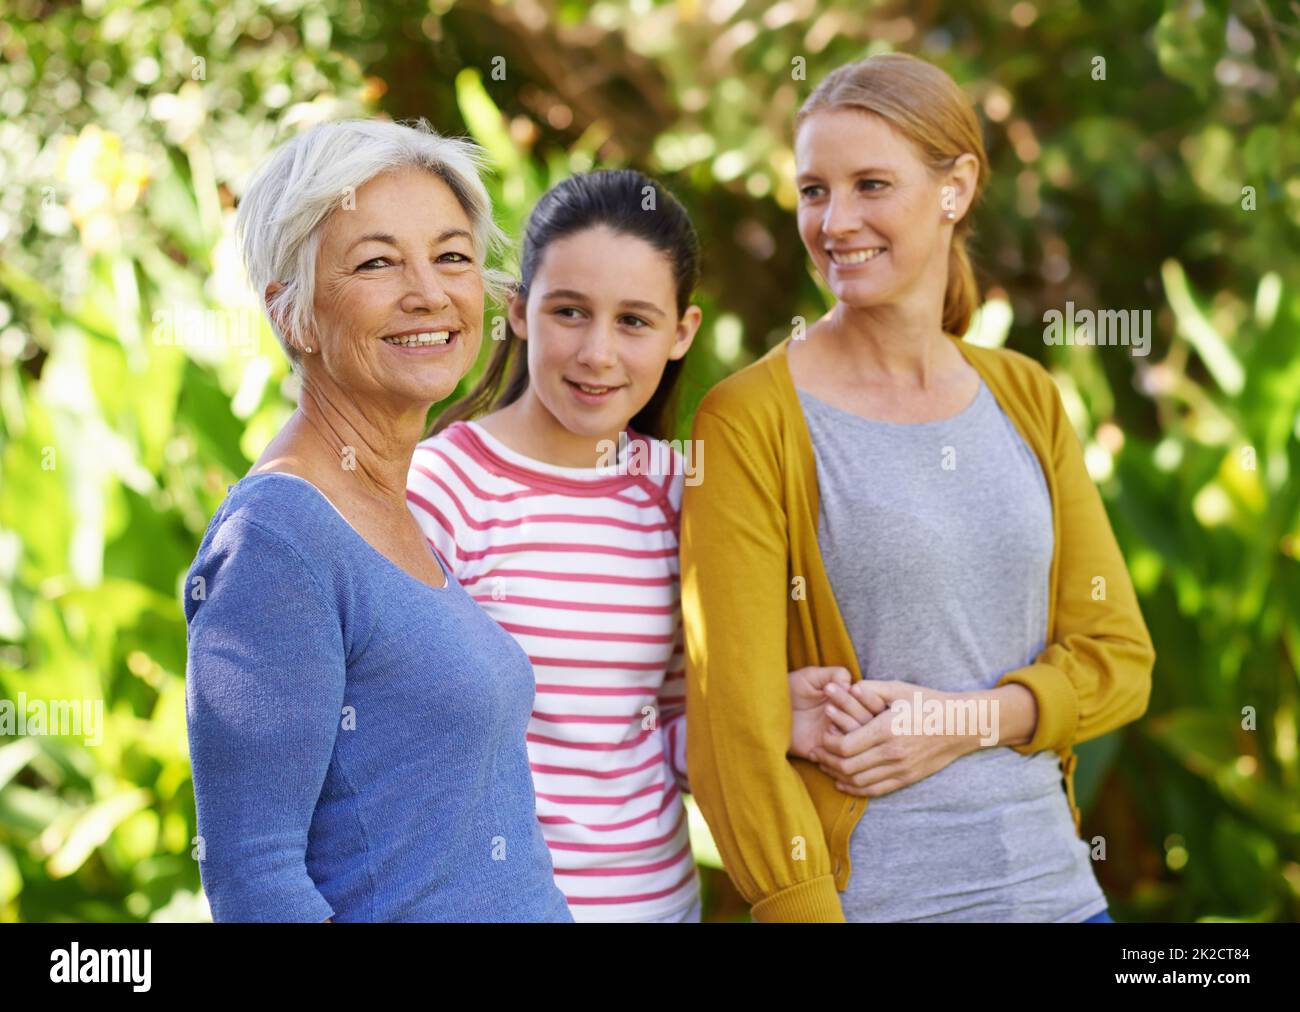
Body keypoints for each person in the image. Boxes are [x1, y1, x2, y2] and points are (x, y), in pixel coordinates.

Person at [681, 54, 1155, 923]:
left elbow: (1119, 660)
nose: (835, 221)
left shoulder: (1026, 397)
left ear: (956, 188)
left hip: (1064, 901)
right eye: (814, 190)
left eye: (870, 185)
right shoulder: (750, 420)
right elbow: (733, 730)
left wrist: (966, 720)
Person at [409, 169, 848, 921]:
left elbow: (662, 735)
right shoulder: (441, 488)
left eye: (635, 321)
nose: (597, 354)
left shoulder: (684, 492)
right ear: (518, 312)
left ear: (683, 333)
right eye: (570, 312)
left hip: (654, 907)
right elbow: (399, 738)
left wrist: (767, 715)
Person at [184, 118, 572, 922]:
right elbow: (255, 882)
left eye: (453, 256)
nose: (429, 291)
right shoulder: (275, 544)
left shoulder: (391, 509)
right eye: (377, 262)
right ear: (292, 315)